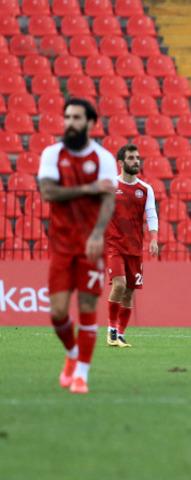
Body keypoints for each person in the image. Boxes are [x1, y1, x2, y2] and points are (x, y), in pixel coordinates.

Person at [37, 98, 118, 394]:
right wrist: (87, 188)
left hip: (89, 245)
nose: (70, 123)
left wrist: (98, 234)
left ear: (90, 123)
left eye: (76, 118)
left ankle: (82, 373)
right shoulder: (52, 154)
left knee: (86, 307)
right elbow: (48, 192)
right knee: (57, 312)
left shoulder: (104, 159)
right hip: (61, 245)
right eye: (67, 117)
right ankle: (71, 353)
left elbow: (108, 198)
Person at [105, 144, 159, 348]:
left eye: (137, 157)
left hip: (134, 247)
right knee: (118, 285)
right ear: (121, 163)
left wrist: (154, 238)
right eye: (131, 158)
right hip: (114, 245)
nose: (136, 161)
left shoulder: (145, 189)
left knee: (129, 292)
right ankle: (110, 329)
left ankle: (120, 334)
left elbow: (152, 215)